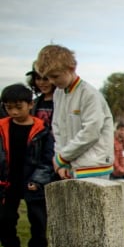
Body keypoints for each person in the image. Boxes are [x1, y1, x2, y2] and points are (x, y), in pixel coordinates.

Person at [35, 45, 114, 180]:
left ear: (71, 68)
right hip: (70, 165)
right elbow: (58, 128)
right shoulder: (58, 94)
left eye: (55, 76)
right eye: (49, 77)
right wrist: (61, 160)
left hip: (94, 166)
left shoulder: (89, 94)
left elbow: (91, 132)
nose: (52, 81)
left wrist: (63, 157)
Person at [0, 84, 55, 247]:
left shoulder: (42, 131)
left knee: (38, 219)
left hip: (32, 180)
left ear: (30, 105)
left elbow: (47, 159)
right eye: (9, 107)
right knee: (5, 217)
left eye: (18, 107)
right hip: (8, 181)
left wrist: (38, 180)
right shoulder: (2, 129)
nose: (14, 112)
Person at [26, 64, 54, 128]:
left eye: (46, 79)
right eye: (38, 78)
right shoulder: (34, 103)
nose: (41, 82)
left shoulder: (64, 102)